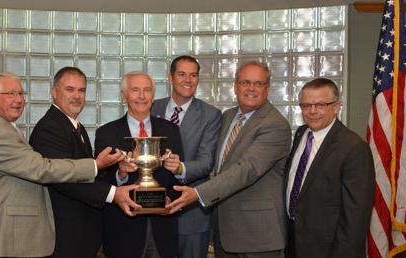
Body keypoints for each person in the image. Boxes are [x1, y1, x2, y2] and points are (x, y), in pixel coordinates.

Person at [0, 72, 124, 258]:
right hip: (2, 234)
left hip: (16, 233)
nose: (18, 100)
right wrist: (96, 166)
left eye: (21, 94)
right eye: (10, 94)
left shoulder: (2, 127)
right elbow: (43, 169)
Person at [167, 61, 292, 258]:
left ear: (267, 88)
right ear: (236, 86)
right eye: (245, 82)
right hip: (225, 231)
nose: (251, 88)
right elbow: (215, 165)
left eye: (258, 84)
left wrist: (197, 194)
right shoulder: (228, 116)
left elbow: (246, 170)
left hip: (256, 236)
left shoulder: (275, 125)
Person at [29, 67, 140, 258]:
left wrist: (119, 171)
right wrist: (113, 194)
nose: (77, 96)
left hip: (80, 234)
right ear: (54, 92)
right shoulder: (49, 128)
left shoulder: (74, 126)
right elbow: (63, 180)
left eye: (81, 90)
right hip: (63, 236)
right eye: (70, 89)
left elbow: (88, 174)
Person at [95, 71, 184, 258]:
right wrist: (121, 175)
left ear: (153, 96)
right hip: (123, 233)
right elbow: (99, 181)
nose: (142, 96)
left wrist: (169, 199)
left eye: (147, 90)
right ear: (124, 96)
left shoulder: (171, 130)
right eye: (135, 90)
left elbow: (179, 181)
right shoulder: (106, 133)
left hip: (163, 230)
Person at [285, 78, 375, 258]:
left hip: (328, 248)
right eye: (306, 105)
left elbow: (356, 217)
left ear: (336, 107)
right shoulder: (301, 134)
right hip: (292, 239)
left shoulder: (354, 148)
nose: (312, 111)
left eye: (320, 105)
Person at [151, 55, 222, 258]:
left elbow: (207, 161)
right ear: (170, 78)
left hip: (191, 214)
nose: (188, 80)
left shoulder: (211, 115)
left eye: (193, 75)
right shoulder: (152, 107)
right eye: (182, 74)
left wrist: (180, 168)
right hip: (152, 209)